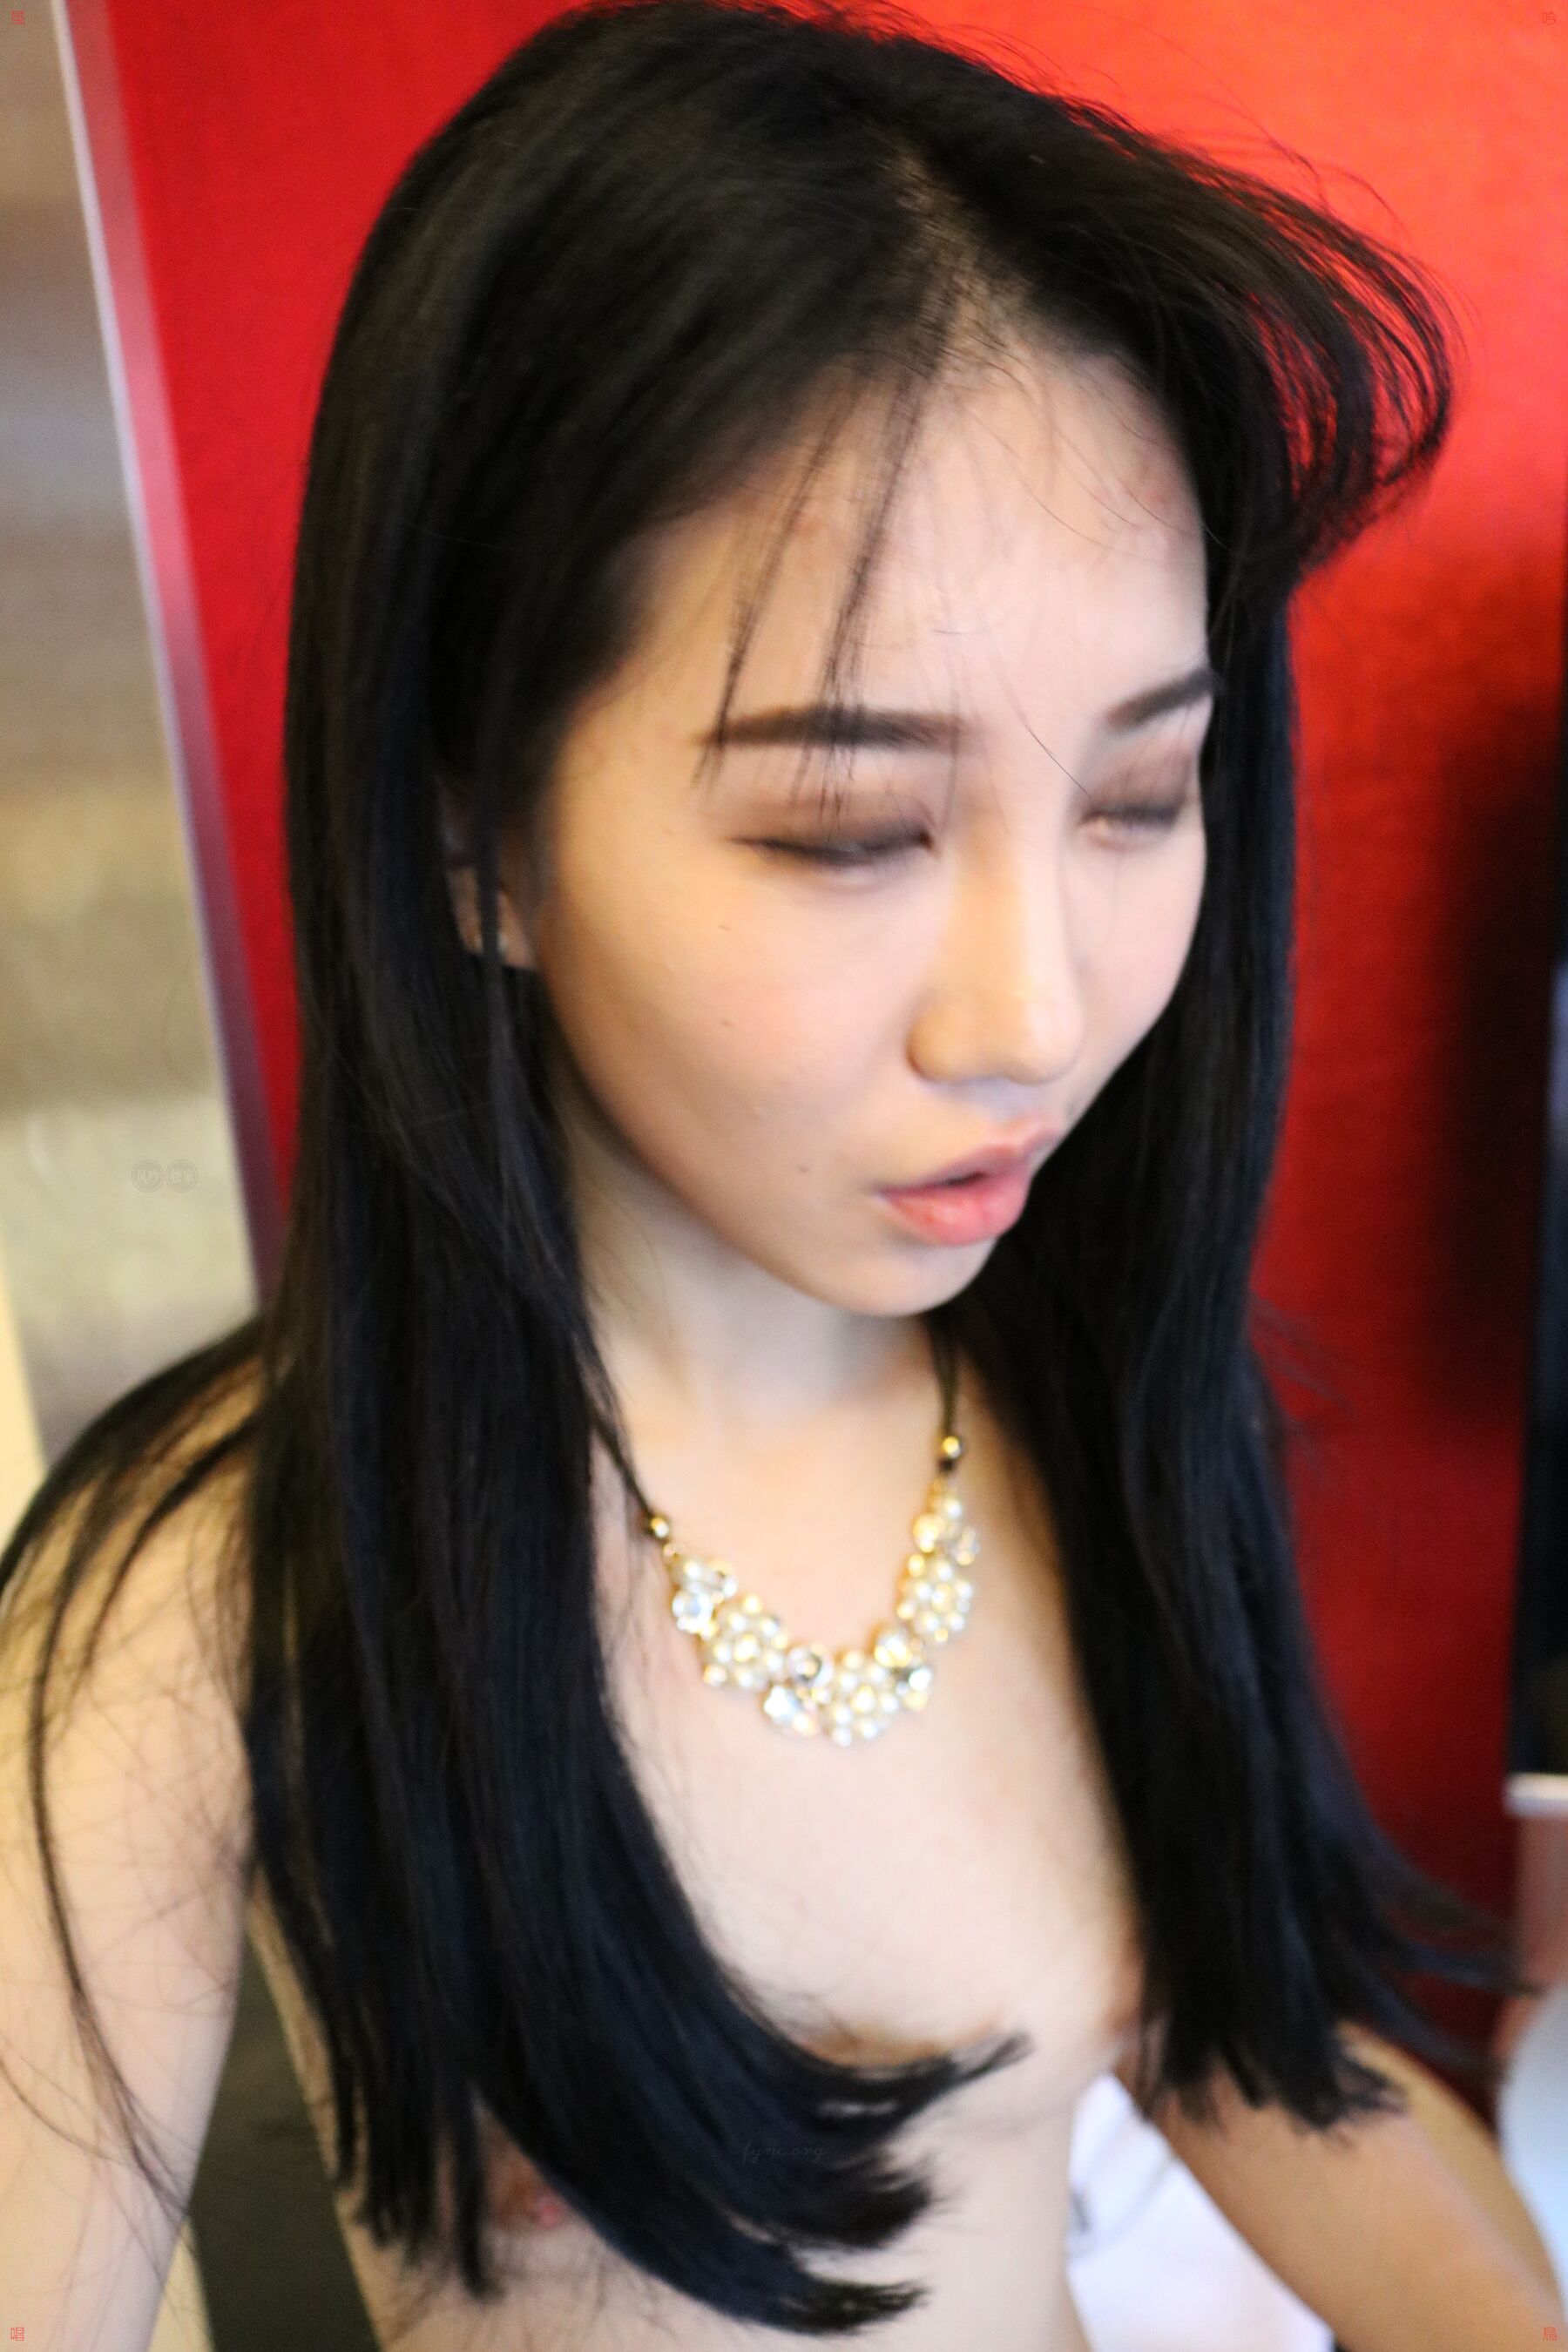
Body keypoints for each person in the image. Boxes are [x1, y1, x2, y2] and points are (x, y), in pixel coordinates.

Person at [1, 1, 1563, 2346]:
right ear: (472, 832)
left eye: (1141, 796)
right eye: (850, 829)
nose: (1034, 1015)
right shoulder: (217, 1597)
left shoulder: (1098, 1409)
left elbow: (1256, 2054)